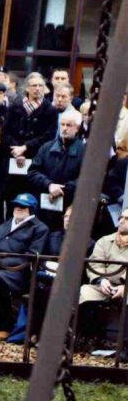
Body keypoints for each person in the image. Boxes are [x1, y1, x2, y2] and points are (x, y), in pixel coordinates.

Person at [0, 193, 48, 342]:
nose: (18, 208)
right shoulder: (4, 226)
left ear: (31, 209)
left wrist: (1, 262)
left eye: (23, 207)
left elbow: (31, 255)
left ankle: (4, 326)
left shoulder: (39, 228)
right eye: (16, 205)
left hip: (19, 272)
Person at [77, 208, 128, 353]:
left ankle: (125, 347)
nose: (122, 221)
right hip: (104, 284)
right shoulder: (105, 241)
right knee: (85, 293)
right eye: (121, 217)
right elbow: (95, 263)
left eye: (127, 219)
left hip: (125, 287)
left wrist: (125, 286)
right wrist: (101, 280)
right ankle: (86, 338)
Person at [1, 72, 58, 203]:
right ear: (27, 88)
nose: (37, 88)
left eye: (40, 85)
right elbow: (5, 132)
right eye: (34, 85)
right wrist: (16, 150)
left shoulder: (50, 110)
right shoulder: (15, 106)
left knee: (31, 197)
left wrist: (25, 147)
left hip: (36, 159)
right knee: (11, 198)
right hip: (13, 157)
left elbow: (49, 137)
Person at [27, 110, 84, 231]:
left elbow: (87, 179)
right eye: (62, 124)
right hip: (45, 206)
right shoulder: (46, 147)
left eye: (69, 125)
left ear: (78, 128)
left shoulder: (85, 151)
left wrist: (62, 189)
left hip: (70, 206)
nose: (64, 128)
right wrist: (49, 185)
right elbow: (32, 171)